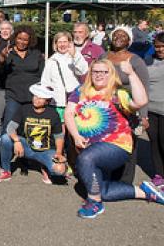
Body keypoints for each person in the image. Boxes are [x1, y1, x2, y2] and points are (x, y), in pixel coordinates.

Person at [64, 59, 164, 218]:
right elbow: (68, 113)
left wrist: (131, 73)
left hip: (116, 145)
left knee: (86, 159)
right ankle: (145, 192)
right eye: (95, 71)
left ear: (111, 74)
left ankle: (95, 204)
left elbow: (141, 101)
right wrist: (76, 136)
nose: (99, 75)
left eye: (104, 72)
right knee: (101, 190)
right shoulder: (80, 90)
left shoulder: (118, 93)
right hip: (89, 147)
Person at [0, 84, 66, 184]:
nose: (37, 99)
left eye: (41, 98)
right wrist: (17, 141)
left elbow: (59, 136)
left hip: (46, 150)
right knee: (5, 138)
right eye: (35, 96)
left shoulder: (53, 113)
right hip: (26, 147)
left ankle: (44, 166)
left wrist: (58, 153)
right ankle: (6, 171)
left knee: (60, 171)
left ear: (47, 101)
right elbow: (10, 128)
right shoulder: (24, 108)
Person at [104, 26, 150, 184]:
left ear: (129, 41)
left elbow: (144, 88)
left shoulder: (135, 60)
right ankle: (109, 175)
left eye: (123, 36)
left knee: (128, 143)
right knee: (108, 142)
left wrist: (143, 115)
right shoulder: (104, 57)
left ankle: (124, 181)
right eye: (116, 35)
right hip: (106, 109)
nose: (118, 38)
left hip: (128, 109)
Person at [0, 25, 44, 133]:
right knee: (8, 128)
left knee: (29, 129)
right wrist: (2, 58)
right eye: (19, 38)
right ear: (15, 38)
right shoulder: (8, 53)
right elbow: (0, 72)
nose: (22, 42)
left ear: (30, 41)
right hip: (14, 96)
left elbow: (42, 75)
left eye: (25, 40)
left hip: (32, 97)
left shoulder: (36, 54)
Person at [41, 31, 88, 123]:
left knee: (75, 128)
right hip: (58, 102)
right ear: (55, 44)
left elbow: (83, 70)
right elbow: (45, 81)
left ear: (70, 43)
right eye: (59, 42)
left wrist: (75, 55)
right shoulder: (51, 61)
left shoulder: (75, 56)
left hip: (74, 101)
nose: (62, 45)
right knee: (60, 130)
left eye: (65, 42)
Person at [146, 32, 164, 187]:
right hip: (151, 109)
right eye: (157, 46)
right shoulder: (148, 60)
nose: (160, 49)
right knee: (154, 142)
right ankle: (159, 174)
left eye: (163, 46)